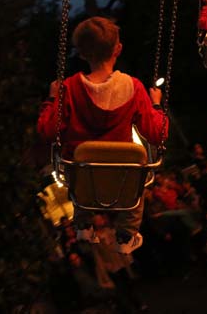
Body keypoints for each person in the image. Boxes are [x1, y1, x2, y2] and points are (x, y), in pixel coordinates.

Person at [38, 16, 168, 254]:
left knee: (81, 169)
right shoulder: (133, 87)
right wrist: (157, 104)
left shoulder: (69, 88)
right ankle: (127, 235)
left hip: (83, 177)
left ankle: (83, 226)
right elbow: (157, 134)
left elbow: (47, 131)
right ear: (118, 49)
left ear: (81, 54)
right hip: (121, 177)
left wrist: (51, 99)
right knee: (136, 181)